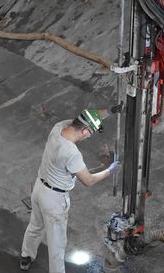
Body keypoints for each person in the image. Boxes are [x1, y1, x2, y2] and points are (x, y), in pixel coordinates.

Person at [19, 105, 123, 272]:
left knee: (35, 225)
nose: (89, 136)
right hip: (54, 201)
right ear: (85, 131)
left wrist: (110, 111)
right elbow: (88, 180)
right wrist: (110, 171)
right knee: (57, 245)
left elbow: (85, 117)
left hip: (39, 188)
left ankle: (26, 255)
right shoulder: (71, 153)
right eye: (90, 132)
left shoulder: (58, 128)